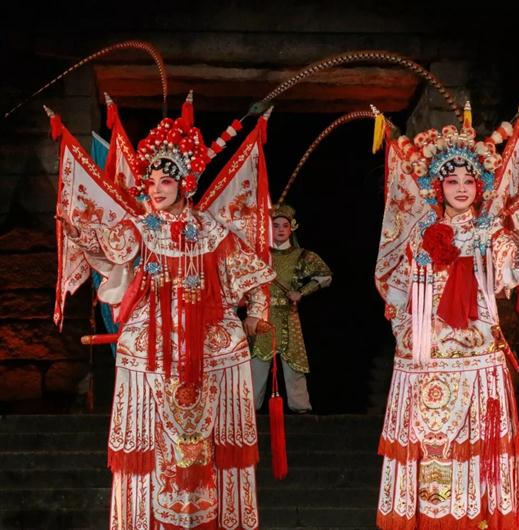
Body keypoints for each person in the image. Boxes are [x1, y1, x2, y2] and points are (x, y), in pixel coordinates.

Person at [58, 115, 274, 530]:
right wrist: (79, 233)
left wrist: (256, 315)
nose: (156, 190)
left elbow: (253, 274)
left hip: (208, 348)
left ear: (185, 184)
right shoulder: (140, 228)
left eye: (166, 181)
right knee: (152, 441)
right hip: (152, 348)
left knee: (210, 441)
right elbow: (106, 247)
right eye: (152, 182)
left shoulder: (211, 230)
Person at [375, 122, 519, 529]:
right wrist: (405, 329)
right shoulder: (420, 234)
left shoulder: (489, 231)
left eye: (469, 181)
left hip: (475, 357)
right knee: (428, 452)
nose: (461, 188)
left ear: (480, 186)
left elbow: (508, 273)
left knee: (474, 454)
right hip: (423, 359)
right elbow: (398, 288)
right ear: (437, 186)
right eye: (452, 180)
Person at [250, 204, 332, 413]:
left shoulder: (302, 255)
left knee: (294, 364)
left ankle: (301, 410)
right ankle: (249, 410)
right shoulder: (260, 257)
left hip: (289, 314)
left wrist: (302, 292)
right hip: (263, 314)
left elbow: (325, 275)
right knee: (257, 362)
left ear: (291, 228)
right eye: (275, 225)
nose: (280, 230)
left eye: (284, 226)